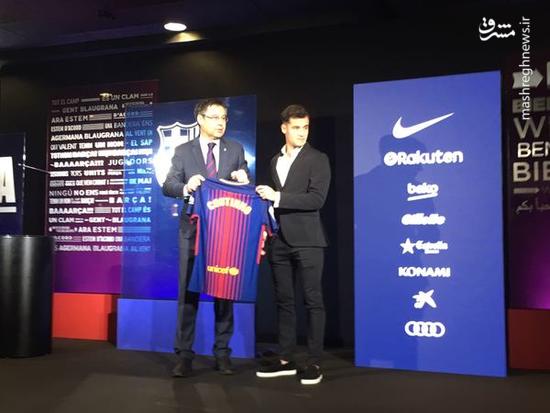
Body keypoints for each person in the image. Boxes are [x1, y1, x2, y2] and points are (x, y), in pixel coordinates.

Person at [162, 98, 249, 377]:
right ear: (200, 119)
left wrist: (243, 178)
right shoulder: (183, 150)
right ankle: (184, 355)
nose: (221, 123)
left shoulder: (235, 149)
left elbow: (244, 183)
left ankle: (222, 353)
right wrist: (186, 186)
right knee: (188, 292)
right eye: (214, 117)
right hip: (192, 229)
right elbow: (168, 185)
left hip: (225, 230)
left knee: (225, 291)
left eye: (224, 117)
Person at [256, 104, 331, 385]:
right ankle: (286, 358)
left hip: (309, 240)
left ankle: (314, 361)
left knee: (313, 301)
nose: (302, 133)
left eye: (306, 127)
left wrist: (277, 197)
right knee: (284, 302)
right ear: (284, 128)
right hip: (279, 240)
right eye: (296, 127)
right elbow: (274, 203)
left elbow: (316, 199)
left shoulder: (318, 158)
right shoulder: (275, 160)